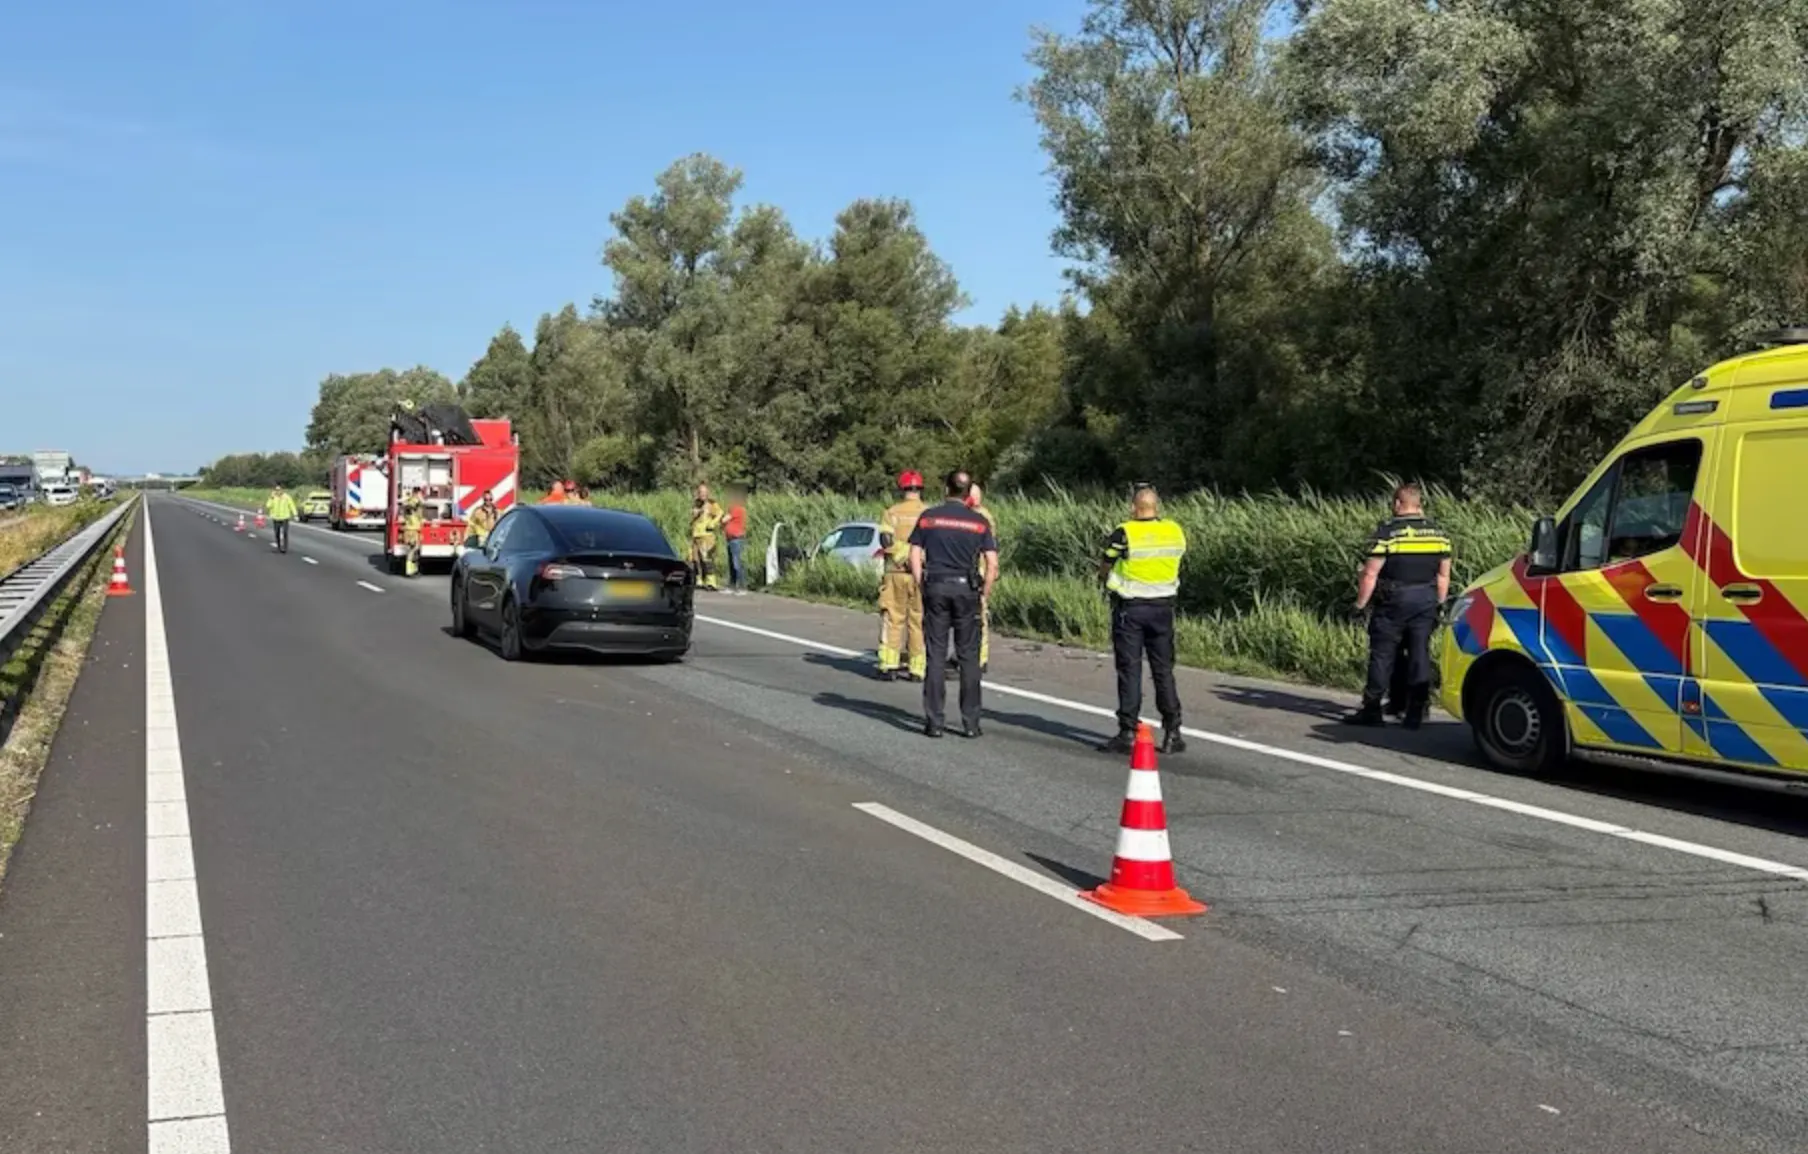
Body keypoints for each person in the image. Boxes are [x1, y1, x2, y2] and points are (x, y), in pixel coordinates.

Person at [1345, 482, 1453, 729]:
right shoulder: (1439, 534)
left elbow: (1370, 574)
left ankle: (1372, 710)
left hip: (1393, 600)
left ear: (1397, 503)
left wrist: (1360, 605)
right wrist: (1439, 604)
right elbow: (1443, 575)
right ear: (1420, 504)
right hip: (1426, 600)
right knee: (1419, 654)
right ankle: (1416, 712)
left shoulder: (1388, 533)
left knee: (1383, 654)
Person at [1097, 485, 1188, 755]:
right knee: (1163, 670)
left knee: (1130, 669)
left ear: (1134, 507)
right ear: (1156, 506)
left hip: (1132, 608)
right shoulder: (1174, 531)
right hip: (1163, 608)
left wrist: (1105, 580)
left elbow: (1106, 562)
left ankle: (1127, 732)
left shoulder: (1125, 532)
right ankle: (1173, 730)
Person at [908, 470, 998, 739]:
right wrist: (985, 593)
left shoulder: (929, 518)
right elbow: (992, 564)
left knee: (935, 655)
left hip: (935, 586)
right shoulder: (980, 522)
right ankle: (971, 723)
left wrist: (921, 583)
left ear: (946, 489)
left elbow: (914, 555)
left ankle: (934, 721)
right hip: (967, 590)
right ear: (969, 492)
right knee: (969, 658)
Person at [877, 471, 929, 681]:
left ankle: (889, 664)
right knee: (918, 621)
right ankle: (917, 669)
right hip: (922, 574)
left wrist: (903, 555)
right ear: (920, 489)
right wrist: (916, 557)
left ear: (902, 488)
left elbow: (885, 540)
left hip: (896, 573)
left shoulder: (892, 513)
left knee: (893, 618)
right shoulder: (929, 513)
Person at [963, 482, 997, 675]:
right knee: (978, 616)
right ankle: (979, 657)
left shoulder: (978, 517)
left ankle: (976, 657)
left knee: (975, 616)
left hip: (977, 571)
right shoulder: (986, 516)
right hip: (983, 570)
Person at [689, 483, 724, 591]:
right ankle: (699, 580)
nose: (702, 494)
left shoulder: (712, 504)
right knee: (696, 560)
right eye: (700, 492)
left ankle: (711, 582)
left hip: (706, 536)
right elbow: (692, 517)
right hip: (696, 535)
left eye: (704, 492)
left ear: (707, 493)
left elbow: (720, 513)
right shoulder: (696, 504)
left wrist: (713, 523)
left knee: (707, 559)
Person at [722, 489, 750, 595]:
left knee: (736, 563)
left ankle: (742, 586)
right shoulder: (732, 508)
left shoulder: (737, 508)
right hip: (730, 538)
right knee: (731, 563)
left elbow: (725, 519)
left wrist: (721, 518)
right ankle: (732, 585)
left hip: (736, 539)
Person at [265, 484, 298, 554]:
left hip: (285, 517)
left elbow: (292, 505)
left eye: (279, 490)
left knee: (285, 532)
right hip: (276, 518)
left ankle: (285, 548)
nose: (277, 491)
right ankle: (278, 547)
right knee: (277, 533)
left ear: (282, 490)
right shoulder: (273, 497)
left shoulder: (286, 497)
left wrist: (295, 514)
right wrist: (271, 498)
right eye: (276, 490)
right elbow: (268, 506)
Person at [401, 486, 426, 577]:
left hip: (412, 528)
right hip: (412, 528)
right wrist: (419, 498)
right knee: (413, 548)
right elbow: (419, 504)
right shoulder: (414, 500)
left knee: (415, 549)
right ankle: (409, 569)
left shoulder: (409, 500)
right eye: (420, 493)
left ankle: (413, 569)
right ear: (417, 492)